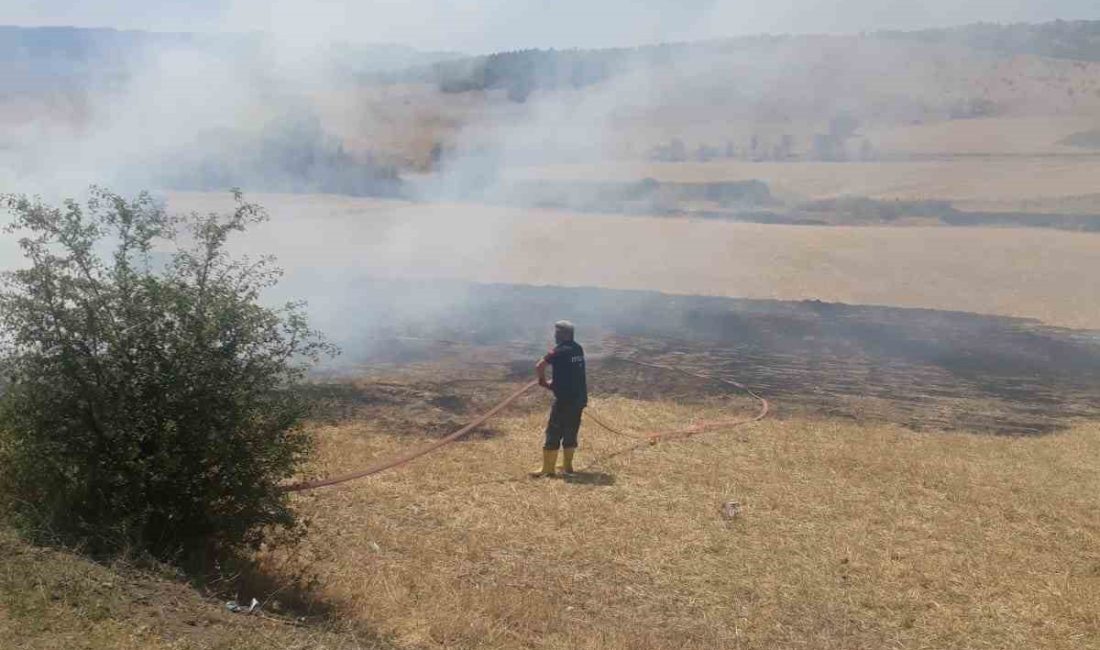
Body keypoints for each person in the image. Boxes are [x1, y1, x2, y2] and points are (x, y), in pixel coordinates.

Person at [533, 320, 587, 477]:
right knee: (571, 432)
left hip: (565, 400)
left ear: (565, 334)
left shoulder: (559, 350)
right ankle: (567, 466)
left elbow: (539, 366)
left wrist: (542, 382)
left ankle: (548, 470)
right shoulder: (578, 349)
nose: (555, 335)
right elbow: (570, 373)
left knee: (553, 432)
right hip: (579, 399)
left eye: (558, 332)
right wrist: (554, 383)